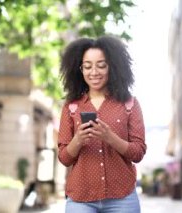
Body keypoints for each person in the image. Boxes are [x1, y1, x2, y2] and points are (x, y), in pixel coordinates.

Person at [58, 35, 147, 213]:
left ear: (112, 67)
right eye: (88, 66)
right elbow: (64, 158)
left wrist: (110, 138)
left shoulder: (129, 104)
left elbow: (138, 153)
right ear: (80, 69)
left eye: (101, 65)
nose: (94, 72)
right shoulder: (71, 107)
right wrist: (78, 140)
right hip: (81, 198)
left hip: (122, 197)